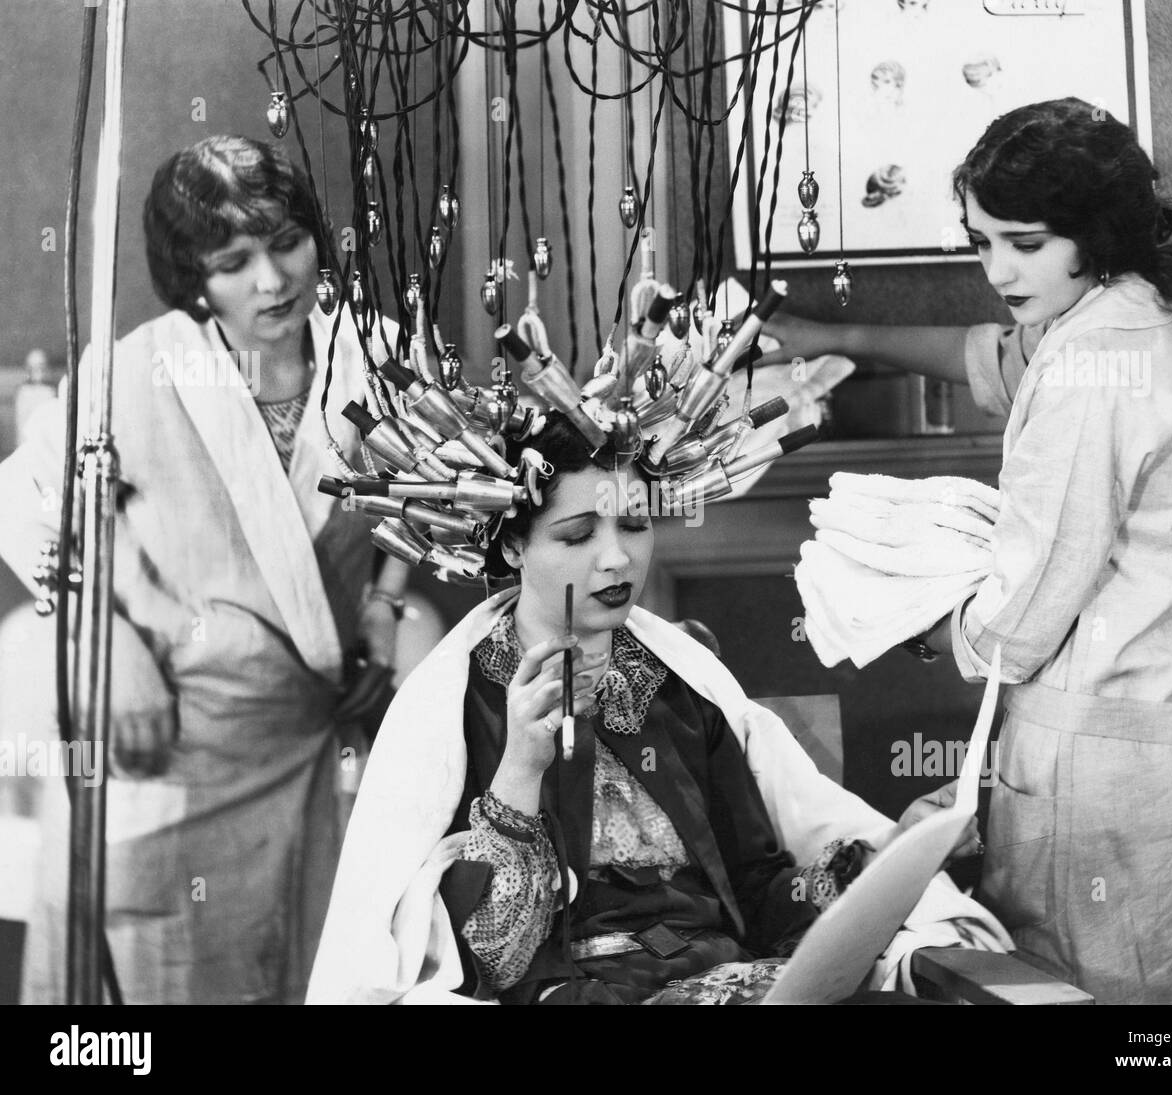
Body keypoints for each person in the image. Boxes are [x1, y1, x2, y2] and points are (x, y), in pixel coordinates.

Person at [766, 98, 1172, 1004]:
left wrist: (911, 618)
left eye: (1024, 242)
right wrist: (833, 336)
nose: (997, 270)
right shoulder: (1145, 314)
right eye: (980, 242)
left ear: (1093, 232)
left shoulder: (1092, 364)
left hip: (1109, 782)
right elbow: (999, 358)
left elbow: (1013, 627)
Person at [307, 415, 1011, 1005]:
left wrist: (878, 865)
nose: (617, 559)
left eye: (635, 525)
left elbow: (758, 890)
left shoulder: (680, 685)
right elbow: (495, 963)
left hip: (727, 977)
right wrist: (522, 766)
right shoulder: (462, 702)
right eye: (578, 534)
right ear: (513, 543)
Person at [0, 135, 408, 1003]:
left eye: (288, 242)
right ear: (194, 278)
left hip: (312, 742)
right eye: (235, 261)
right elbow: (23, 503)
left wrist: (385, 603)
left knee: (315, 972)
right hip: (173, 750)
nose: (273, 279)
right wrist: (107, 639)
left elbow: (416, 493)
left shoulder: (371, 353)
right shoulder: (135, 372)